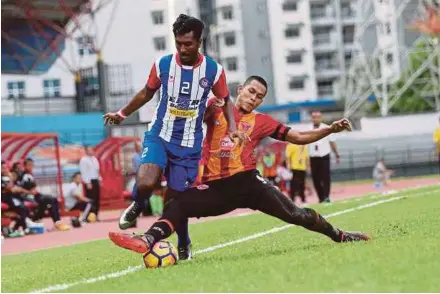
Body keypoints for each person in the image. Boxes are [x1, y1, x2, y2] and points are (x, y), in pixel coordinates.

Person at [108, 76, 369, 257]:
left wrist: (329, 129)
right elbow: (194, 115)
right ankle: (147, 240)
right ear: (240, 89)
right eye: (251, 91)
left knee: (297, 215)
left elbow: (298, 137)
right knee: (177, 203)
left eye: (260, 97)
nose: (254, 98)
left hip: (248, 183)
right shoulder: (216, 107)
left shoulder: (261, 121)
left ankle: (339, 235)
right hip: (216, 188)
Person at [103, 14, 245, 260]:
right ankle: (138, 204)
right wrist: (122, 113)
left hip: (189, 145)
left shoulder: (213, 70)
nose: (182, 48)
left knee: (177, 200)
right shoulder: (163, 64)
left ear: (199, 41)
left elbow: (225, 100)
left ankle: (184, 241)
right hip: (160, 134)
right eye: (178, 43)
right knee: (146, 182)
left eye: (187, 44)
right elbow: (147, 92)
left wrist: (232, 126)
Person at [19, 158, 70, 231]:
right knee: (50, 201)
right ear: (25, 166)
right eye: (29, 165)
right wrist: (30, 191)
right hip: (30, 197)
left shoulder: (30, 174)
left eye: (32, 165)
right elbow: (30, 189)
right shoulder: (25, 176)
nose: (31, 167)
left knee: (51, 202)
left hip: (36, 195)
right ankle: (56, 222)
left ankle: (56, 222)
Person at [308, 111, 340, 203]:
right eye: (314, 117)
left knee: (325, 177)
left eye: (317, 117)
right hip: (313, 156)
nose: (315, 119)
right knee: (315, 178)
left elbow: (332, 142)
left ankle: (326, 196)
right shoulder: (309, 128)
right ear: (312, 118)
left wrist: (337, 154)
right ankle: (320, 197)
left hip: (324, 155)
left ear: (321, 118)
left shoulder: (326, 128)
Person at [79, 145, 100, 222]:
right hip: (89, 181)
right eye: (89, 150)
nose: (91, 151)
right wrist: (87, 182)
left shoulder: (94, 159)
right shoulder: (83, 160)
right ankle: (89, 216)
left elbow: (97, 170)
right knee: (91, 199)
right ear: (86, 151)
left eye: (92, 150)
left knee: (97, 199)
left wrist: (99, 178)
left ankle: (96, 215)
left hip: (95, 180)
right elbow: (84, 172)